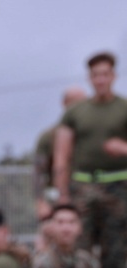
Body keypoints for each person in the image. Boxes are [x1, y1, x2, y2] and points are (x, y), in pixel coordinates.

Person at [53, 51, 127, 268]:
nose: (101, 79)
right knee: (78, 242)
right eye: (96, 75)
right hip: (82, 185)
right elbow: (62, 154)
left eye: (105, 74)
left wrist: (123, 148)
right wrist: (62, 195)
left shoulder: (123, 108)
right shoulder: (76, 112)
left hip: (118, 187)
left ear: (114, 76)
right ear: (90, 78)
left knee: (116, 247)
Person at [33, 86, 87, 221]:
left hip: (86, 197)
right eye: (74, 102)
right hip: (57, 198)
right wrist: (40, 202)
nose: (78, 107)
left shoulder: (91, 135)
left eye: (83, 102)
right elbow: (39, 172)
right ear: (64, 103)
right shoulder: (49, 136)